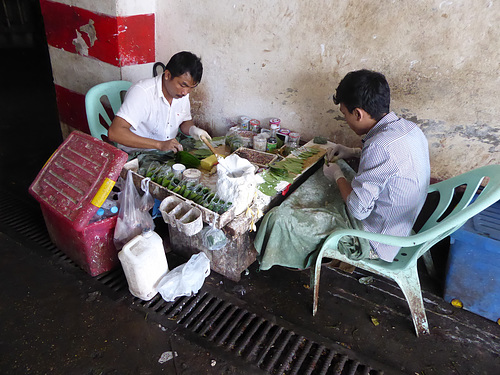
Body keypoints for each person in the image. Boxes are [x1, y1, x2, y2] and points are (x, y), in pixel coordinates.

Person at [323, 69, 430, 261]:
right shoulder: (408, 128)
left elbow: (357, 209)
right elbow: (391, 164)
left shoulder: (379, 146)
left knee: (294, 220)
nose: (345, 119)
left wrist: (337, 175)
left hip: (377, 242)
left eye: (344, 113)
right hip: (402, 225)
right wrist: (352, 151)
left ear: (358, 113)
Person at [108, 51, 211, 153]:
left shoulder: (182, 94)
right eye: (182, 85)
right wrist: (159, 144)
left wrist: (193, 130)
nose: (185, 92)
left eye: (191, 87)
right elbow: (115, 132)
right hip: (135, 155)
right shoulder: (142, 92)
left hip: (165, 154)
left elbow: (184, 121)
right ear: (167, 75)